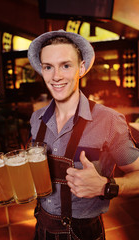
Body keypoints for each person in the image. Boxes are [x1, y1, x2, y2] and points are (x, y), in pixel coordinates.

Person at [28, 30, 139, 240]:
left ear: (81, 68)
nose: (56, 76)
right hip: (40, 229)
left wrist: (107, 186)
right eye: (48, 67)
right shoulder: (36, 119)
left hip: (83, 234)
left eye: (66, 65)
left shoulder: (108, 120)